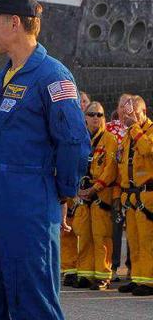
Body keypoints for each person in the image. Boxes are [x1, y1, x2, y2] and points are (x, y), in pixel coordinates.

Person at [0, 0, 89, 319]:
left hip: (30, 209)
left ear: (14, 23)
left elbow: (74, 142)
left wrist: (64, 194)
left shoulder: (52, 76)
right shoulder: (1, 80)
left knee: (34, 304)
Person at [71, 101, 117, 290]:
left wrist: (94, 188)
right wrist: (77, 189)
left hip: (100, 195)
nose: (96, 118)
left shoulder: (110, 140)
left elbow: (110, 169)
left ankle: (103, 275)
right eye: (91, 114)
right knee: (83, 235)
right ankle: (85, 273)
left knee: (101, 236)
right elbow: (72, 165)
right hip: (82, 195)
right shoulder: (79, 140)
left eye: (99, 114)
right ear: (85, 117)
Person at [115, 96, 153, 296]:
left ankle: (149, 281)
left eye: (134, 114)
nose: (130, 118)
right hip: (131, 196)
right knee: (134, 241)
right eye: (128, 115)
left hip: (148, 195)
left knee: (147, 241)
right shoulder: (129, 135)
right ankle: (139, 278)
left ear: (144, 112)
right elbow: (123, 164)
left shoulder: (146, 131)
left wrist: (134, 128)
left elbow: (147, 149)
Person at [106, 93, 133, 282]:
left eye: (130, 104)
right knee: (114, 229)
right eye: (123, 104)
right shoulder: (109, 129)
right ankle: (114, 267)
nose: (126, 108)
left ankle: (133, 267)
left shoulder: (139, 129)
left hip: (133, 188)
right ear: (117, 107)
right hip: (113, 188)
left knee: (133, 231)